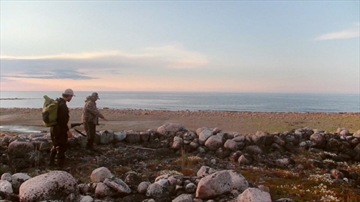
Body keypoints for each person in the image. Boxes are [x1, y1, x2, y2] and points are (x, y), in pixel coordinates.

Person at [49, 88, 74, 168]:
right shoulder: (63, 105)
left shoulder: (57, 102)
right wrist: (67, 131)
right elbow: (62, 121)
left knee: (55, 145)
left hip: (53, 128)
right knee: (61, 147)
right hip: (60, 130)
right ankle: (60, 166)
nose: (71, 98)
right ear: (69, 96)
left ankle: (51, 163)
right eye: (71, 96)